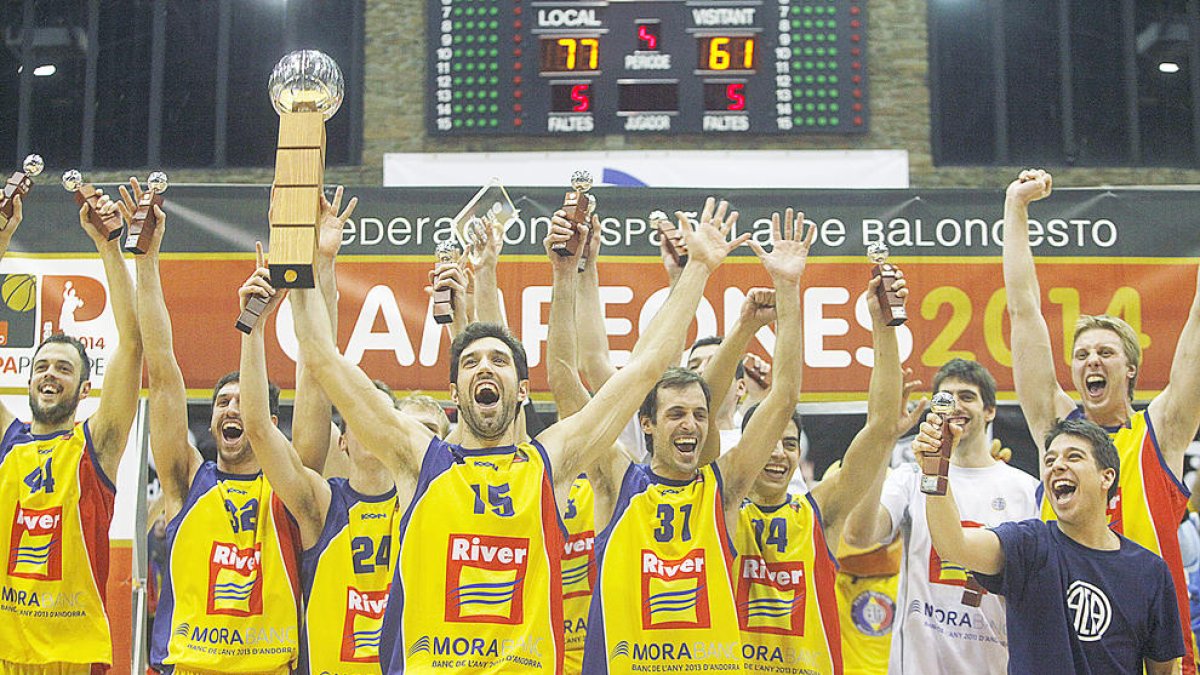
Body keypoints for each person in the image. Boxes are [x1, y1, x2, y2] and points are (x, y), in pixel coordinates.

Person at [289, 196, 749, 673]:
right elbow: (321, 356)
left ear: (523, 389)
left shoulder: (551, 460)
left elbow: (647, 368)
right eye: (471, 362)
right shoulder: (417, 457)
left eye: (499, 360)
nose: (485, 367)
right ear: (455, 390)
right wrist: (313, 261)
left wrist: (697, 269)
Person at [580, 208, 813, 674]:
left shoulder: (727, 479)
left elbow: (784, 396)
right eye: (677, 414)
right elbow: (586, 366)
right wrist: (581, 270)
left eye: (699, 414)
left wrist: (788, 290)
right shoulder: (621, 470)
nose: (690, 424)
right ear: (648, 423)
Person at [140, 181, 354, 673]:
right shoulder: (185, 479)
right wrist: (147, 263)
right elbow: (164, 371)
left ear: (269, 422)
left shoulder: (292, 480)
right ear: (211, 421)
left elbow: (318, 372)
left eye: (242, 400)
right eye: (221, 402)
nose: (231, 409)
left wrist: (323, 264)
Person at [1004, 168, 1200, 671]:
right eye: (1082, 353)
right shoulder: (1057, 427)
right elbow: (1025, 313)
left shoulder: (1161, 431)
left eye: (1106, 353)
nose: (1092, 360)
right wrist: (1016, 209)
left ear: (1131, 368)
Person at [237, 242, 401, 673]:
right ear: (341, 441)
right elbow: (259, 424)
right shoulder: (321, 504)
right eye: (357, 418)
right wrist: (253, 329)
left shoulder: (427, 497)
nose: (370, 425)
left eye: (380, 416)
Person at [733, 272, 905, 674]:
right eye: (769, 442)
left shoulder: (818, 512)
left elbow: (880, 427)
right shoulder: (717, 506)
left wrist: (883, 327)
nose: (778, 454)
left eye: (790, 444)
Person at [0, 194, 142, 672]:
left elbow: (133, 345)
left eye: (63, 368)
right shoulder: (8, 440)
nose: (49, 374)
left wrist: (108, 248)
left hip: (73, 657)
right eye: (42, 366)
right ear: (28, 378)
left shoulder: (95, 444)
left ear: (83, 389)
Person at [923, 415, 1184, 673]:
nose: (1056, 466)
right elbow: (953, 545)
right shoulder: (1027, 544)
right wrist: (936, 472)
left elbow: (1163, 670)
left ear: (1106, 477)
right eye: (1050, 460)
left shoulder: (1150, 571)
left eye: (1073, 457)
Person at [842, 359, 1039, 674]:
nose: (955, 406)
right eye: (945, 398)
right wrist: (883, 436)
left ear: (990, 411)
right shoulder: (909, 477)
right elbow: (858, 534)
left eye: (967, 396)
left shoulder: (1026, 490)